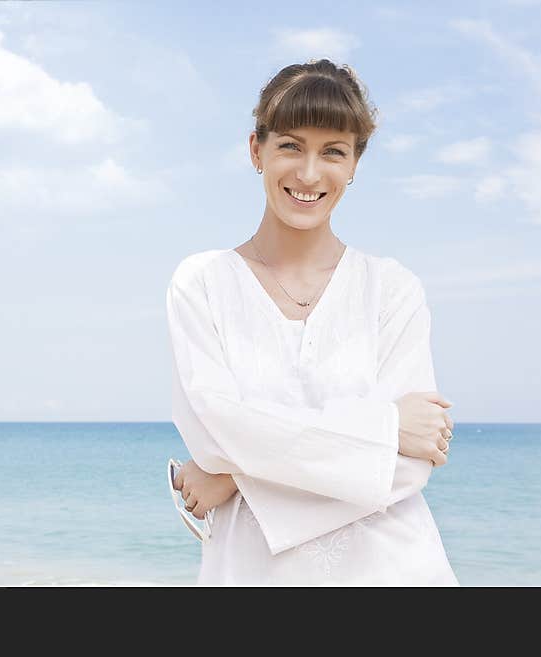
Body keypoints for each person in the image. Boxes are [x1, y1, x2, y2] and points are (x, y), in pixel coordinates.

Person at [166, 59, 458, 586]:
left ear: (354, 165)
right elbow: (217, 430)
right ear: (256, 150)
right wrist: (385, 428)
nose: (308, 173)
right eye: (291, 146)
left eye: (333, 152)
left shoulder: (392, 290)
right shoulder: (202, 283)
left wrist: (235, 476)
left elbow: (409, 467)